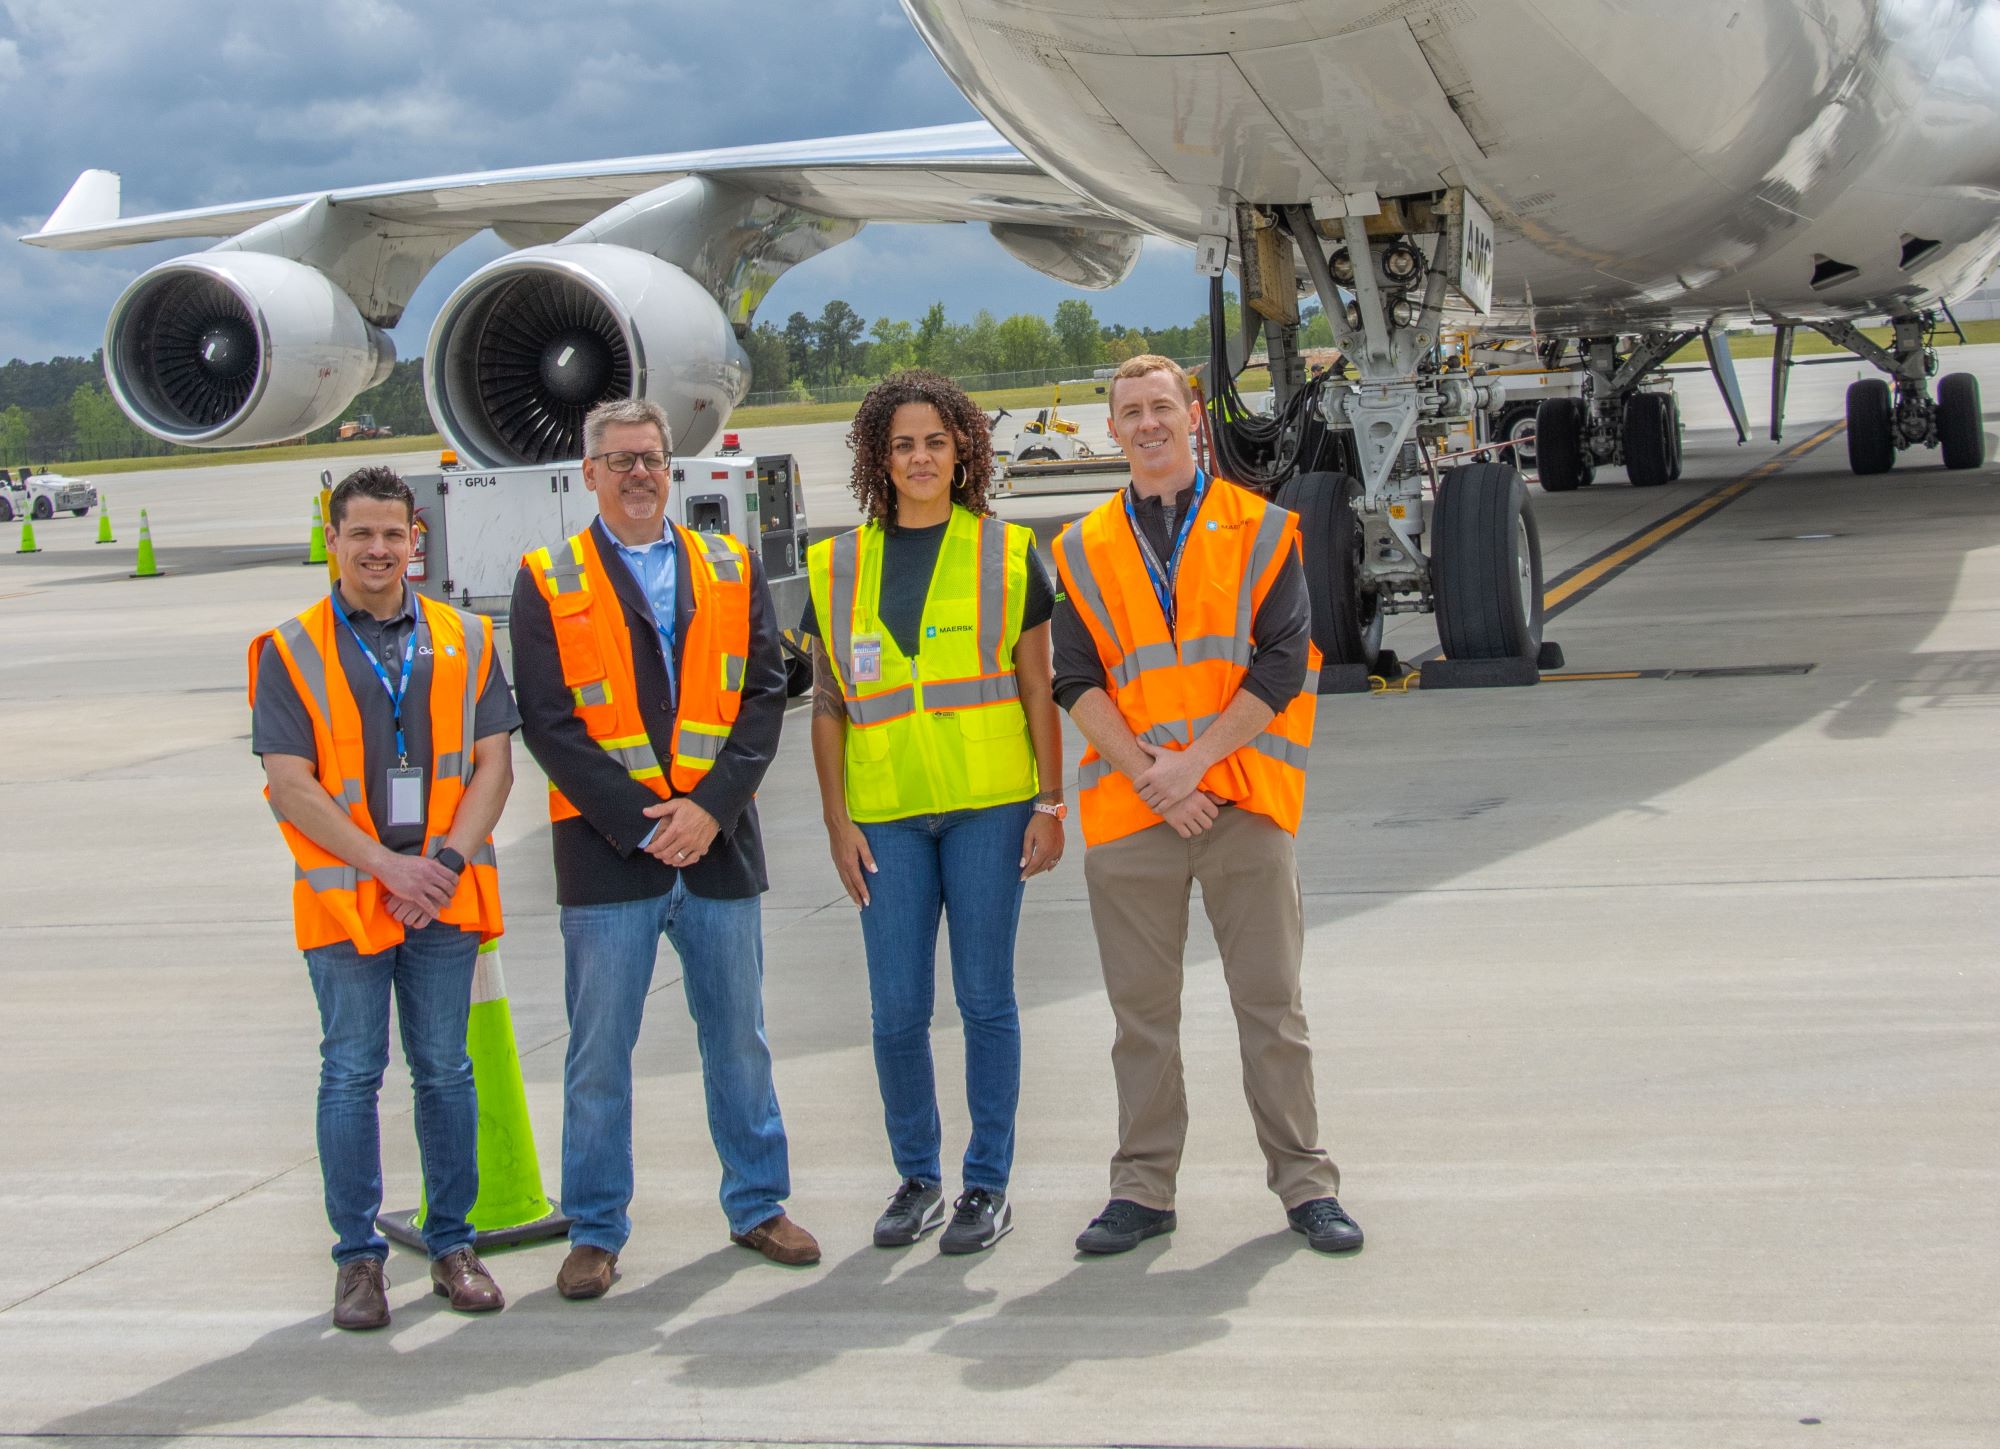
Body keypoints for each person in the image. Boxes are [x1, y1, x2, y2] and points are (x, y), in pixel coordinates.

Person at [1050, 355, 1363, 1256]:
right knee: (1141, 1018)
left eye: (1162, 407)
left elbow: (1282, 659)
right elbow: (1076, 678)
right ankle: (1142, 1190)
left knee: (1272, 1007)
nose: (1148, 424)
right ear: (1111, 429)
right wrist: (1157, 773)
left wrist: (1194, 766)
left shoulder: (1263, 530)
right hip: (1134, 815)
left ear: (1194, 416)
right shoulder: (1079, 547)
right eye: (1130, 412)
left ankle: (1306, 1184)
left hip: (1243, 805)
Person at [510, 397, 815, 1301]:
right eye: (621, 460)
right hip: (611, 854)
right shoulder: (547, 576)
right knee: (599, 1055)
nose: (639, 473)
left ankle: (758, 1202)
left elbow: (766, 696)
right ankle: (597, 1228)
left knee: (740, 1042)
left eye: (651, 458)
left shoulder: (727, 563)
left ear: (668, 469)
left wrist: (710, 809)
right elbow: (550, 724)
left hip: (717, 845)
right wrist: (648, 820)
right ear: (588, 473)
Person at [249, 465, 517, 1330]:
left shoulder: (468, 639)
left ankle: (452, 1244)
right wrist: (388, 867)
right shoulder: (288, 649)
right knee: (351, 1074)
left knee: (444, 1070)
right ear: (332, 541)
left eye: (392, 535)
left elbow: (494, 767)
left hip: (441, 895)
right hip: (348, 902)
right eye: (359, 534)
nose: (376, 550)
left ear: (416, 542)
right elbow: (290, 785)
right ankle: (358, 1260)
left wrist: (438, 863)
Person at [803, 370, 1064, 1255]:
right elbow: (828, 704)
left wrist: (1051, 803)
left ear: (963, 454)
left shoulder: (1008, 551)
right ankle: (918, 1176)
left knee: (986, 1000)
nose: (920, 457)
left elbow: (1038, 685)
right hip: (886, 820)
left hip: (992, 808)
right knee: (895, 1011)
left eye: (936, 442)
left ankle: (986, 1185)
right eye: (903, 443)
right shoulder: (836, 564)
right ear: (880, 456)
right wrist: (838, 822)